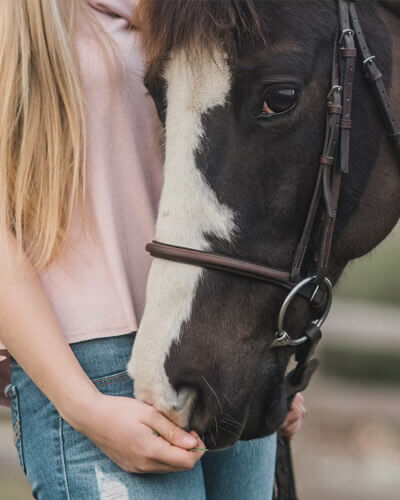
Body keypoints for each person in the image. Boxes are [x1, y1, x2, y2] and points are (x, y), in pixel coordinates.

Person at [0, 1, 305, 498]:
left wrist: (269, 359)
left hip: (220, 345)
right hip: (94, 367)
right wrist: (84, 409)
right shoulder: (22, 16)